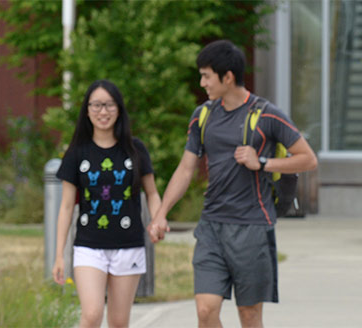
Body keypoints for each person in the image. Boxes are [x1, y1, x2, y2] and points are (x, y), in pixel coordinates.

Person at [153, 39, 317, 328]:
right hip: (211, 227)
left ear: (227, 77)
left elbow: (308, 159)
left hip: (252, 227)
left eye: (206, 76)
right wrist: (161, 212)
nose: (202, 82)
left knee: (250, 316)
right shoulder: (203, 115)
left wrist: (263, 163)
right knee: (205, 310)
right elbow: (186, 167)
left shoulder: (267, 114)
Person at [53, 80, 163, 328]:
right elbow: (67, 207)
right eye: (96, 105)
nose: (103, 112)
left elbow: (152, 194)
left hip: (129, 246)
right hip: (89, 246)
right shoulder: (77, 152)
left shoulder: (136, 150)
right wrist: (59, 255)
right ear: (87, 110)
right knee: (91, 315)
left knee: (118, 322)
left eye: (109, 105)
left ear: (119, 109)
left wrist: (158, 219)